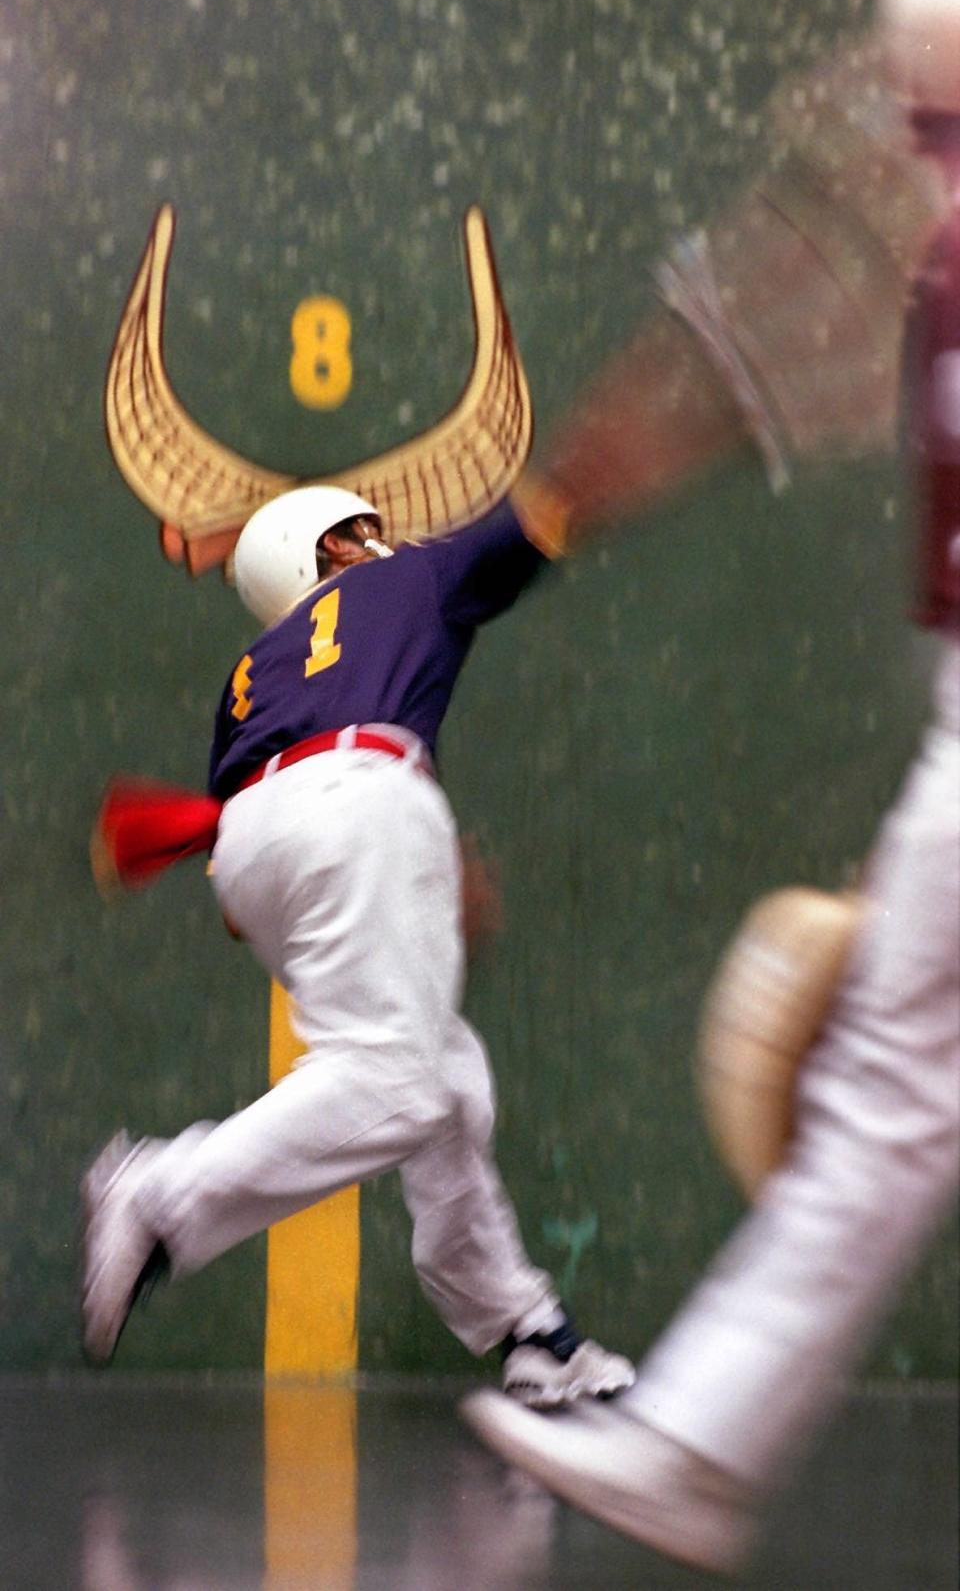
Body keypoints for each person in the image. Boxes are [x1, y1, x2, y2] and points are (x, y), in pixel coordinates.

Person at [460, 0, 960, 1571]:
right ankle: (694, 1445)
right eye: (920, 119)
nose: (917, 147)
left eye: (933, 115)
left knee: (893, 1081)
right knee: (893, 1080)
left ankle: (693, 1442)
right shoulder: (933, 269)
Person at [82, 482, 634, 1408]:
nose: (388, 539)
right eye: (365, 531)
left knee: (445, 1086)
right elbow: (531, 527)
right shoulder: (406, 582)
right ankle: (160, 1195)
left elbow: (249, 876)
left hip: (261, 845)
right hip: (363, 804)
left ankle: (526, 1331)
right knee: (397, 1081)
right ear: (329, 550)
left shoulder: (255, 674)